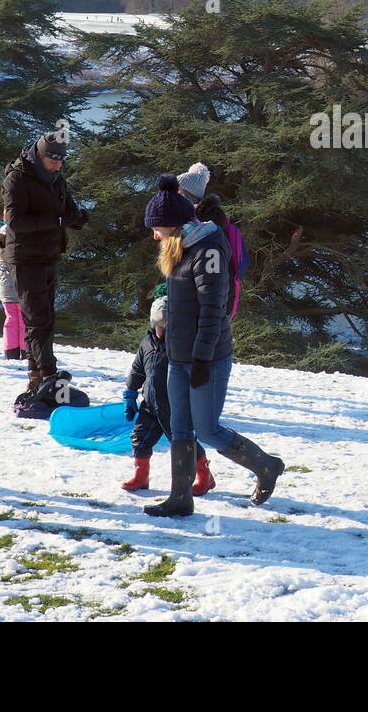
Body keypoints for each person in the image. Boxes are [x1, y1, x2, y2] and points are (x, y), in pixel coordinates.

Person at [141, 175, 283, 517]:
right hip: (179, 354)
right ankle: (180, 498)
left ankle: (265, 466)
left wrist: (203, 358)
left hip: (208, 357)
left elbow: (212, 309)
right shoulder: (180, 249)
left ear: (174, 225)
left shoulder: (209, 249)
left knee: (207, 429)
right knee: (179, 426)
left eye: (157, 227)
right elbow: (181, 305)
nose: (154, 234)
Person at [1, 133, 89, 394]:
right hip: (26, 258)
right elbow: (15, 222)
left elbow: (66, 211)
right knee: (37, 318)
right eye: (55, 160)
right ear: (40, 155)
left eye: (63, 160)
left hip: (50, 255)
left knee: (44, 318)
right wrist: (56, 222)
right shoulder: (16, 178)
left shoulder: (57, 179)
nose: (59, 165)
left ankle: (37, 376)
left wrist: (77, 218)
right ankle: (47, 373)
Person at [120, 285, 214, 495]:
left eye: (168, 326)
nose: (164, 330)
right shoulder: (146, 344)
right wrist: (130, 394)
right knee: (139, 437)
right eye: (160, 326)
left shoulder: (181, 346)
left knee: (183, 443)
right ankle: (141, 476)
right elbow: (137, 371)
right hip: (150, 405)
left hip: (175, 406)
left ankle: (204, 475)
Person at [0, 230, 26, 361]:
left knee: (10, 322)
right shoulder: (17, 253)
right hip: (21, 291)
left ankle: (11, 352)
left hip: (6, 294)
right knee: (23, 322)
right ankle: (25, 351)